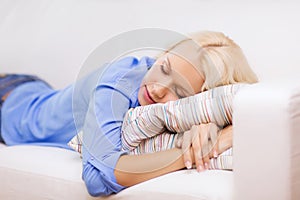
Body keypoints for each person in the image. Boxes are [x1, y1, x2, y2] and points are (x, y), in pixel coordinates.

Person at [0, 31, 258, 197]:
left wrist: (211, 126)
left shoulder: (187, 114)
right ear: (161, 56)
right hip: (9, 99)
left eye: (179, 92)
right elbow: (99, 177)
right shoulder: (120, 77)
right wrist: (195, 151)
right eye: (163, 68)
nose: (157, 89)